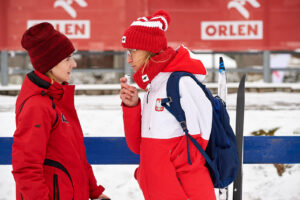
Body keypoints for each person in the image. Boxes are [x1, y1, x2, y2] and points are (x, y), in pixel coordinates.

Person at [120, 10, 216, 200]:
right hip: (159, 191)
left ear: (148, 49)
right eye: (128, 53)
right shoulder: (152, 89)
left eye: (133, 51)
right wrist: (132, 106)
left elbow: (200, 139)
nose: (129, 59)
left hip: (185, 193)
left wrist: (165, 173)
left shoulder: (180, 83)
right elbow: (138, 147)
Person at [12, 22, 110, 200]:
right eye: (67, 59)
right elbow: (26, 168)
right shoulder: (37, 106)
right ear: (50, 65)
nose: (74, 64)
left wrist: (93, 191)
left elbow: (76, 155)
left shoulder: (57, 99)